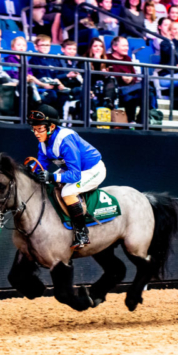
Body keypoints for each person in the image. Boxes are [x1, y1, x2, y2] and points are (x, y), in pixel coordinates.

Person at [27, 105, 106, 249]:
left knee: (67, 192)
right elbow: (40, 167)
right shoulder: (43, 144)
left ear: (51, 127)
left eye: (40, 129)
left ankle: (82, 233)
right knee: (45, 184)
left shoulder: (65, 140)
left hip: (92, 170)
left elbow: (75, 175)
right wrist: (29, 172)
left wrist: (51, 176)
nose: (36, 133)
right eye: (34, 129)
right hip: (71, 170)